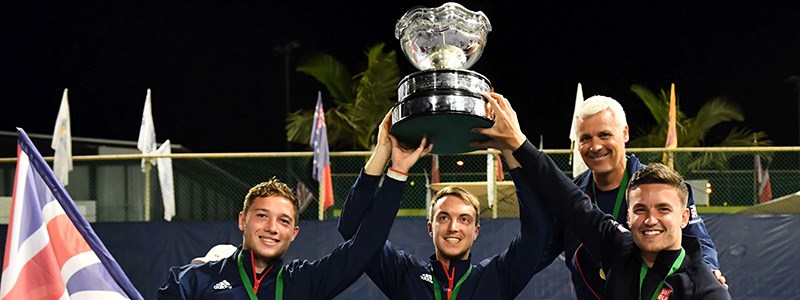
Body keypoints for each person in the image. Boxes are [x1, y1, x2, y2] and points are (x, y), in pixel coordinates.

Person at [474, 92, 730, 299]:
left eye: (605, 134)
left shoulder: (661, 189)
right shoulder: (582, 209)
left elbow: (699, 243)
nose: (595, 146)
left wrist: (710, 272)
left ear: (625, 133)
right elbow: (536, 248)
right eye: (586, 138)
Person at [157, 113, 432, 300]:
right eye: (262, 216)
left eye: (284, 221)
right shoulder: (190, 282)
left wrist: (394, 166)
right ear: (242, 220)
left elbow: (364, 245)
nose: (271, 228)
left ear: (294, 233)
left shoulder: (302, 282)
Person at [337, 107, 554, 299]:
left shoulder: (497, 276)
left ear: (476, 231)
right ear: (430, 227)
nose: (453, 227)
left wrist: (509, 147)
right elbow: (352, 227)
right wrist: (390, 159)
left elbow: (538, 233)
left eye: (464, 219)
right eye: (443, 217)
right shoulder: (403, 274)